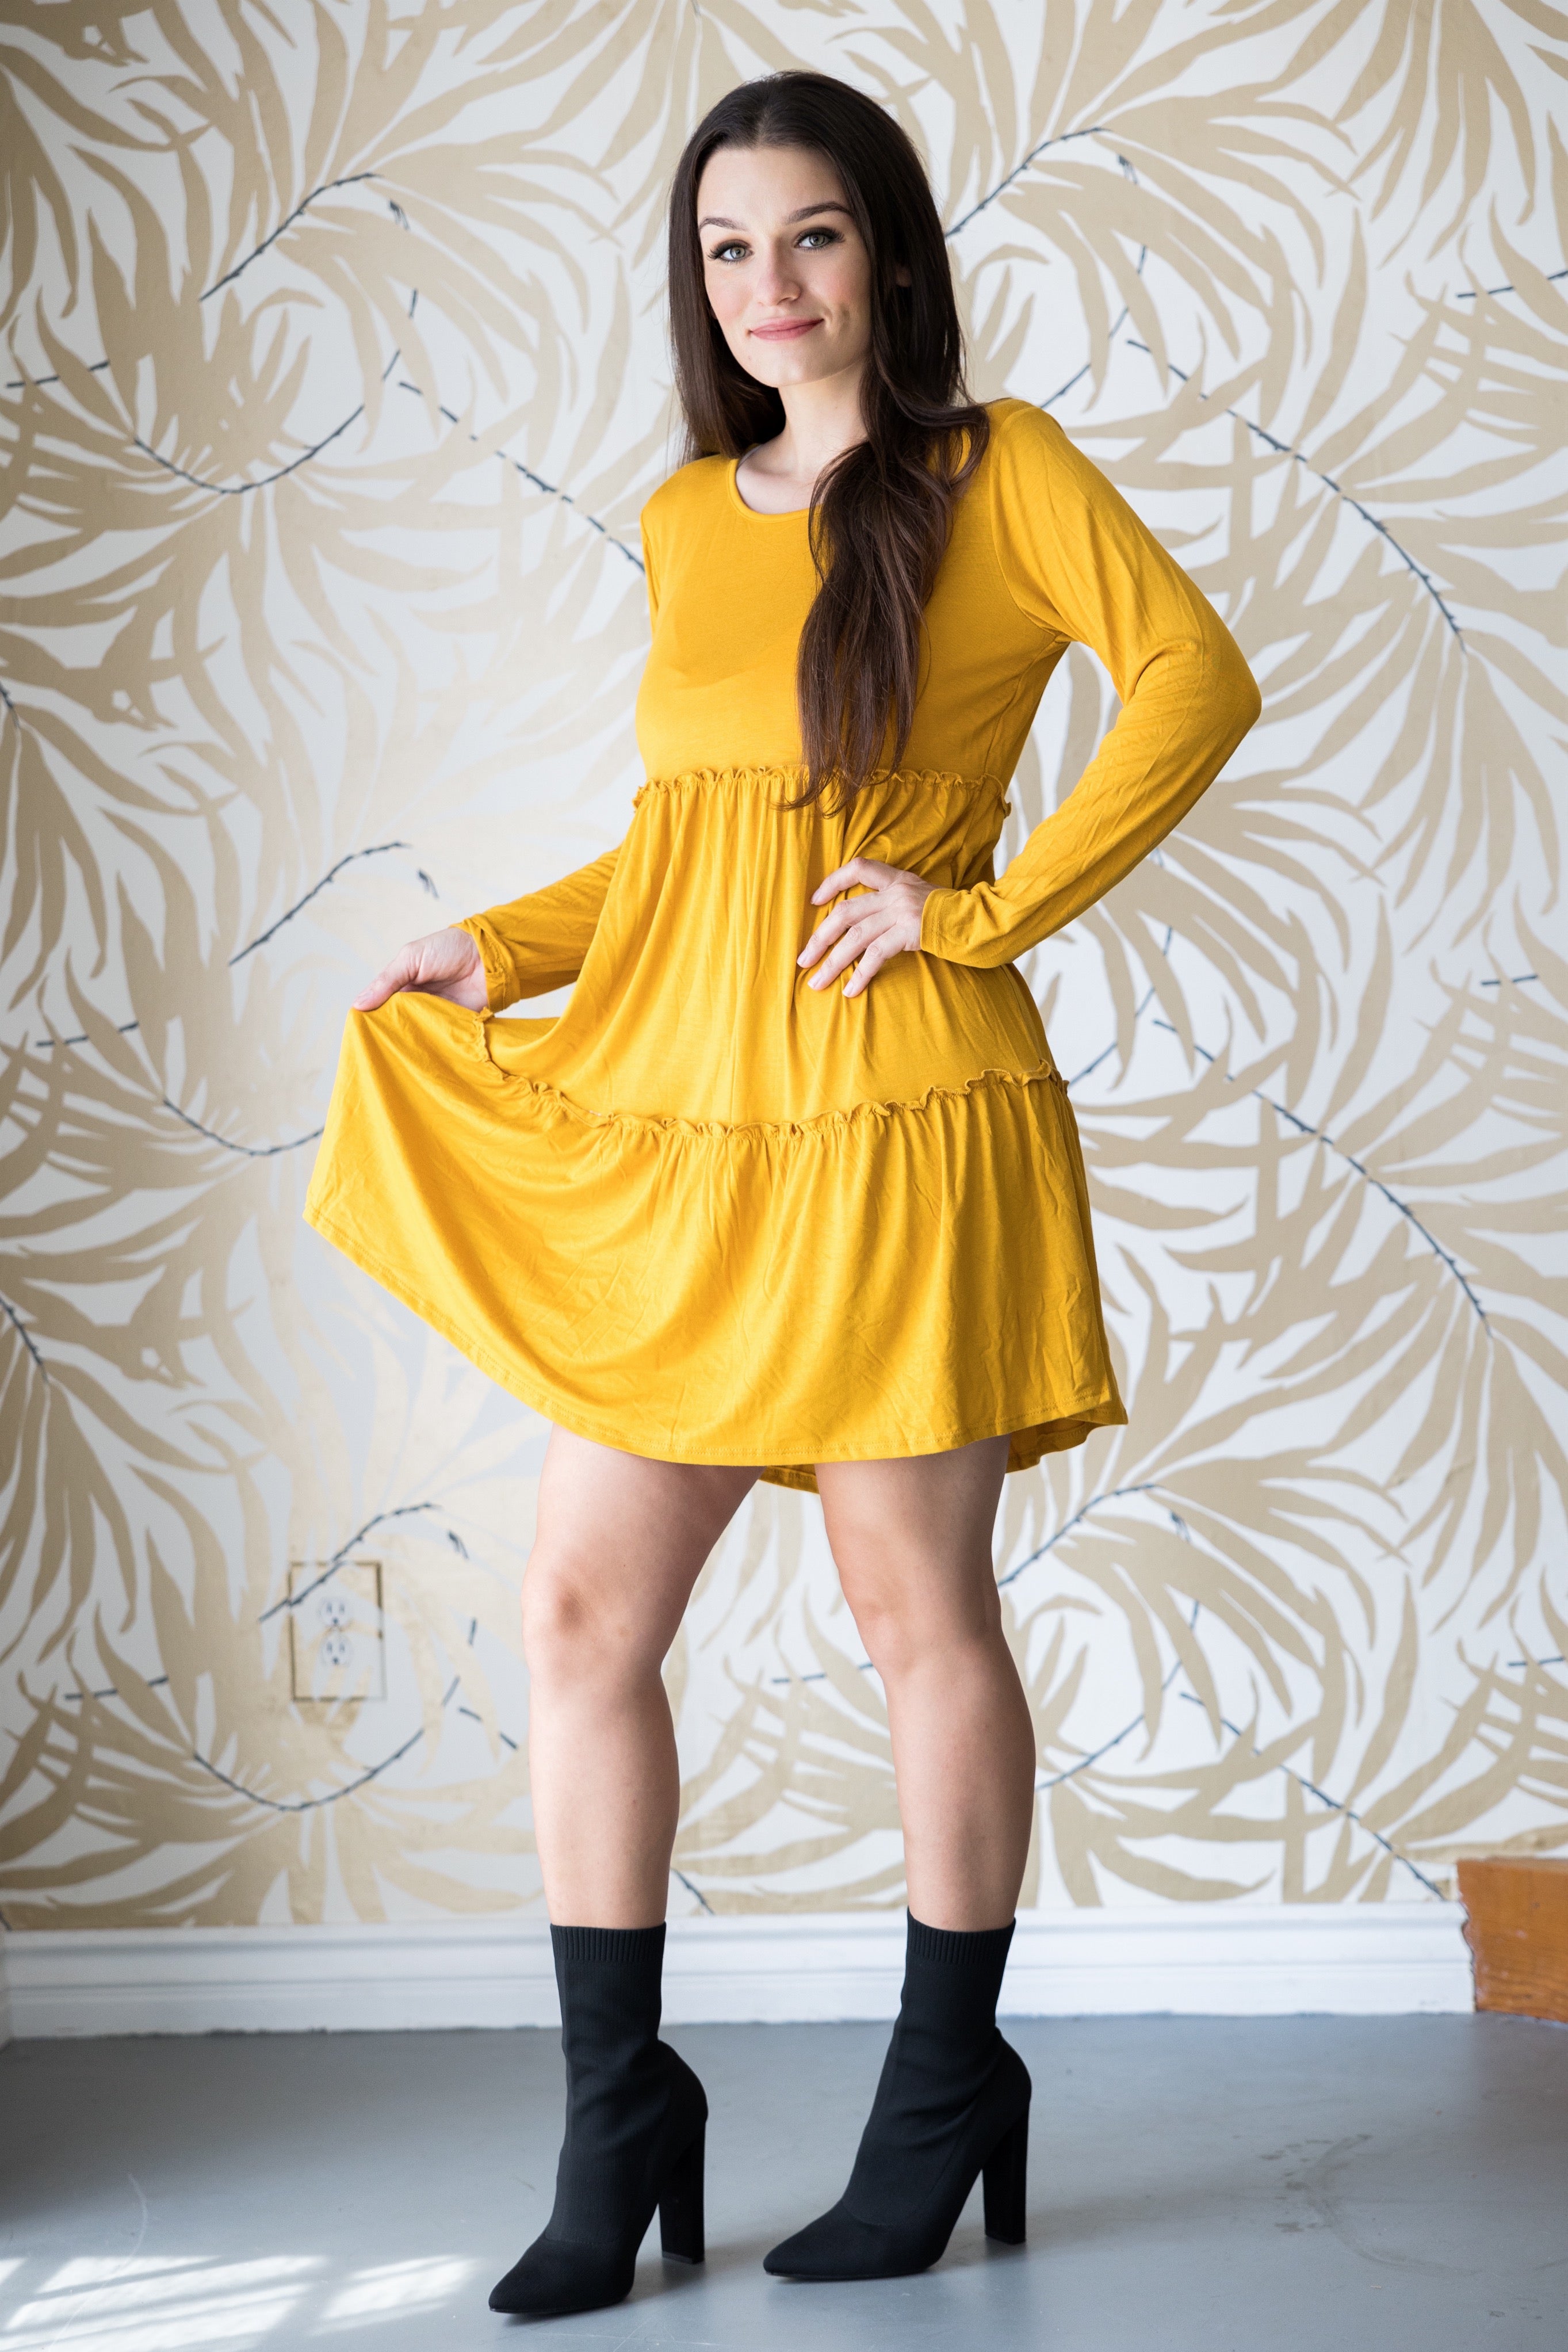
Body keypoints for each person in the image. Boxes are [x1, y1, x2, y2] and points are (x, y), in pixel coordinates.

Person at [305, 70, 1260, 2320]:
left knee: (913, 1614)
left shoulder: (996, 470)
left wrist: (981, 910)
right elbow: (695, 840)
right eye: (728, 248)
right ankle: (618, 2112)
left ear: (888, 256)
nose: (769, 284)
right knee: (578, 1615)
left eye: (811, 236)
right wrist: (499, 947)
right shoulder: (681, 513)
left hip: (900, 1121)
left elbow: (1195, 682)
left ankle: (941, 2092)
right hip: (698, 1133)